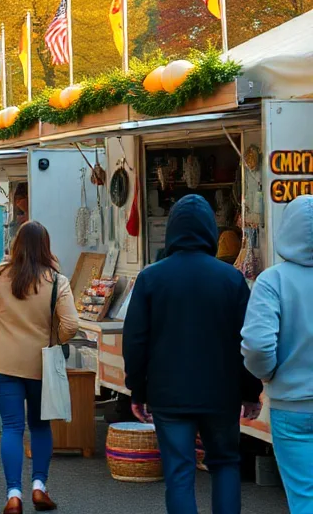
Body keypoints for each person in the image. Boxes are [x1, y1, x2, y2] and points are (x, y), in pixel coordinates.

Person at [123, 194, 262, 514]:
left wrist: (137, 390)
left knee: (179, 473)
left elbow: (135, 340)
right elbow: (247, 340)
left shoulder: (150, 278)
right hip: (221, 394)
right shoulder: (231, 279)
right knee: (225, 464)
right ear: (209, 231)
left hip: (168, 394)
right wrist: (250, 391)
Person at [0, 221, 79, 514]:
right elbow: (71, 325)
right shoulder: (57, 280)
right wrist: (53, 336)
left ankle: (14, 494)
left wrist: (1, 325)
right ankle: (39, 487)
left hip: (2, 364)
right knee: (41, 426)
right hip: (41, 363)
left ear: (16, 245)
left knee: (12, 428)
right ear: (46, 246)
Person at [242, 195, 313, 512]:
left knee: (305, 496)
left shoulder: (272, 281)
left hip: (292, 404)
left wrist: (268, 374)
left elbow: (257, 346)